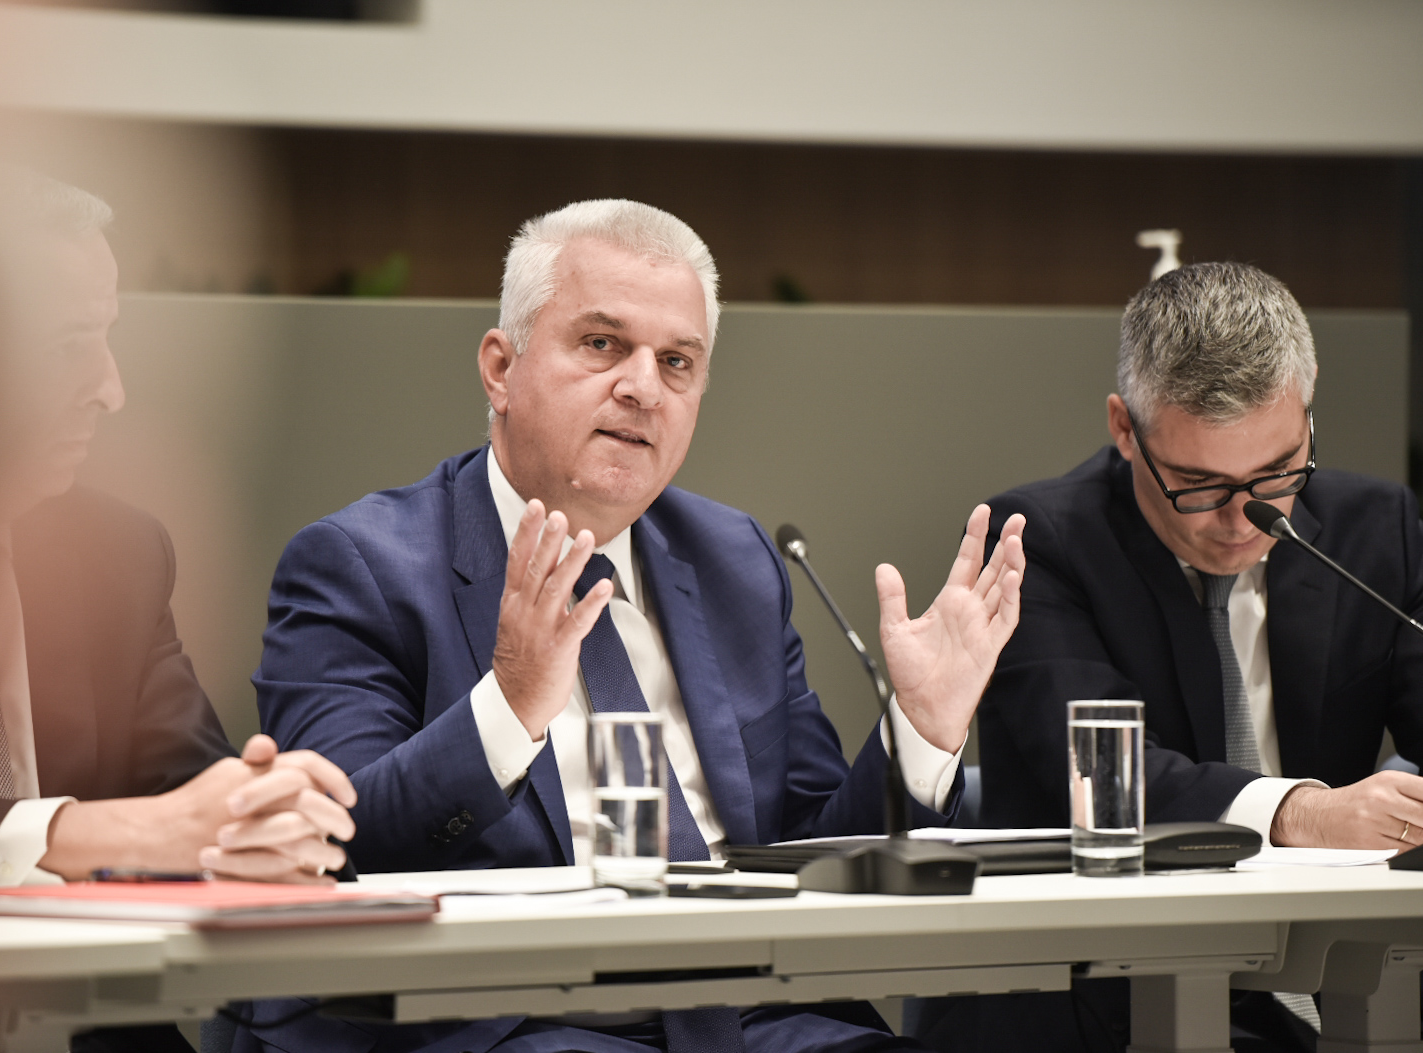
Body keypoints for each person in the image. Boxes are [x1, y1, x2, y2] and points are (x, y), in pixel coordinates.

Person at [241, 199, 1026, 1053]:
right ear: (500, 368)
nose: (642, 387)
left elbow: (812, 853)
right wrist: (509, 705)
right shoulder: (360, 564)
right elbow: (341, 848)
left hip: (754, 1018)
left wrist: (921, 727)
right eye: (601, 343)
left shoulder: (734, 560)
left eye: (676, 361)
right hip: (515, 1024)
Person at [918, 261, 1421, 1053]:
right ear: (1124, 428)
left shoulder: (1374, 525)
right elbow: (1099, 777)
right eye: (1198, 483)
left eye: (1276, 473)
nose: (1242, 518)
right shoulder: (1039, 543)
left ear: (1307, 403)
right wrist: (1303, 812)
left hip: (1340, 975)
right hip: (1097, 997)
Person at [0, 174, 360, 911]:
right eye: (68, 345)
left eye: (108, 338)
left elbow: (184, 797)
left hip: (95, 984)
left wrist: (256, 821)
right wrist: (76, 833)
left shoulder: (117, 553)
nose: (110, 389)